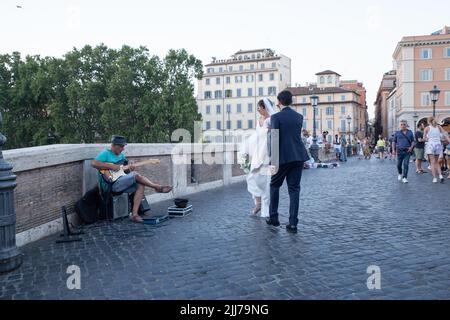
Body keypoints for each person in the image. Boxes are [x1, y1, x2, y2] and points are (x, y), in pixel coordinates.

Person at [91, 135, 173, 223]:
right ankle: (157, 187)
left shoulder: (121, 156)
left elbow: (123, 171)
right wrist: (111, 166)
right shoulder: (106, 153)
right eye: (121, 146)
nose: (123, 149)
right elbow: (94, 163)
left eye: (123, 146)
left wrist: (130, 167)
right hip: (110, 185)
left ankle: (134, 215)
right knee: (135, 175)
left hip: (120, 182)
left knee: (140, 184)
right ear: (114, 145)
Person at [267, 90, 310, 234]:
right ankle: (293, 223)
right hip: (298, 156)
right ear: (290, 101)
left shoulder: (276, 117)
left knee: (274, 185)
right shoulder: (299, 117)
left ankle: (274, 217)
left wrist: (272, 163)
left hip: (281, 158)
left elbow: (274, 140)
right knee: (294, 189)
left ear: (279, 102)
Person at [241, 98, 276, 217]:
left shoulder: (272, 119)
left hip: (267, 152)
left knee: (266, 181)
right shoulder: (259, 120)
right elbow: (256, 135)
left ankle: (266, 207)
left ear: (265, 107)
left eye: (259, 108)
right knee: (251, 178)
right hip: (257, 152)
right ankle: (258, 203)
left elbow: (274, 136)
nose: (258, 110)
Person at [423, 117, 450, 183]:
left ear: (429, 122)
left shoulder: (427, 128)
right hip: (438, 144)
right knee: (437, 161)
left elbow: (424, 138)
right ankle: (440, 175)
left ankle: (435, 178)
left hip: (431, 145)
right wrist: (449, 140)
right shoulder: (439, 127)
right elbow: (445, 134)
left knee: (432, 162)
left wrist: (428, 139)